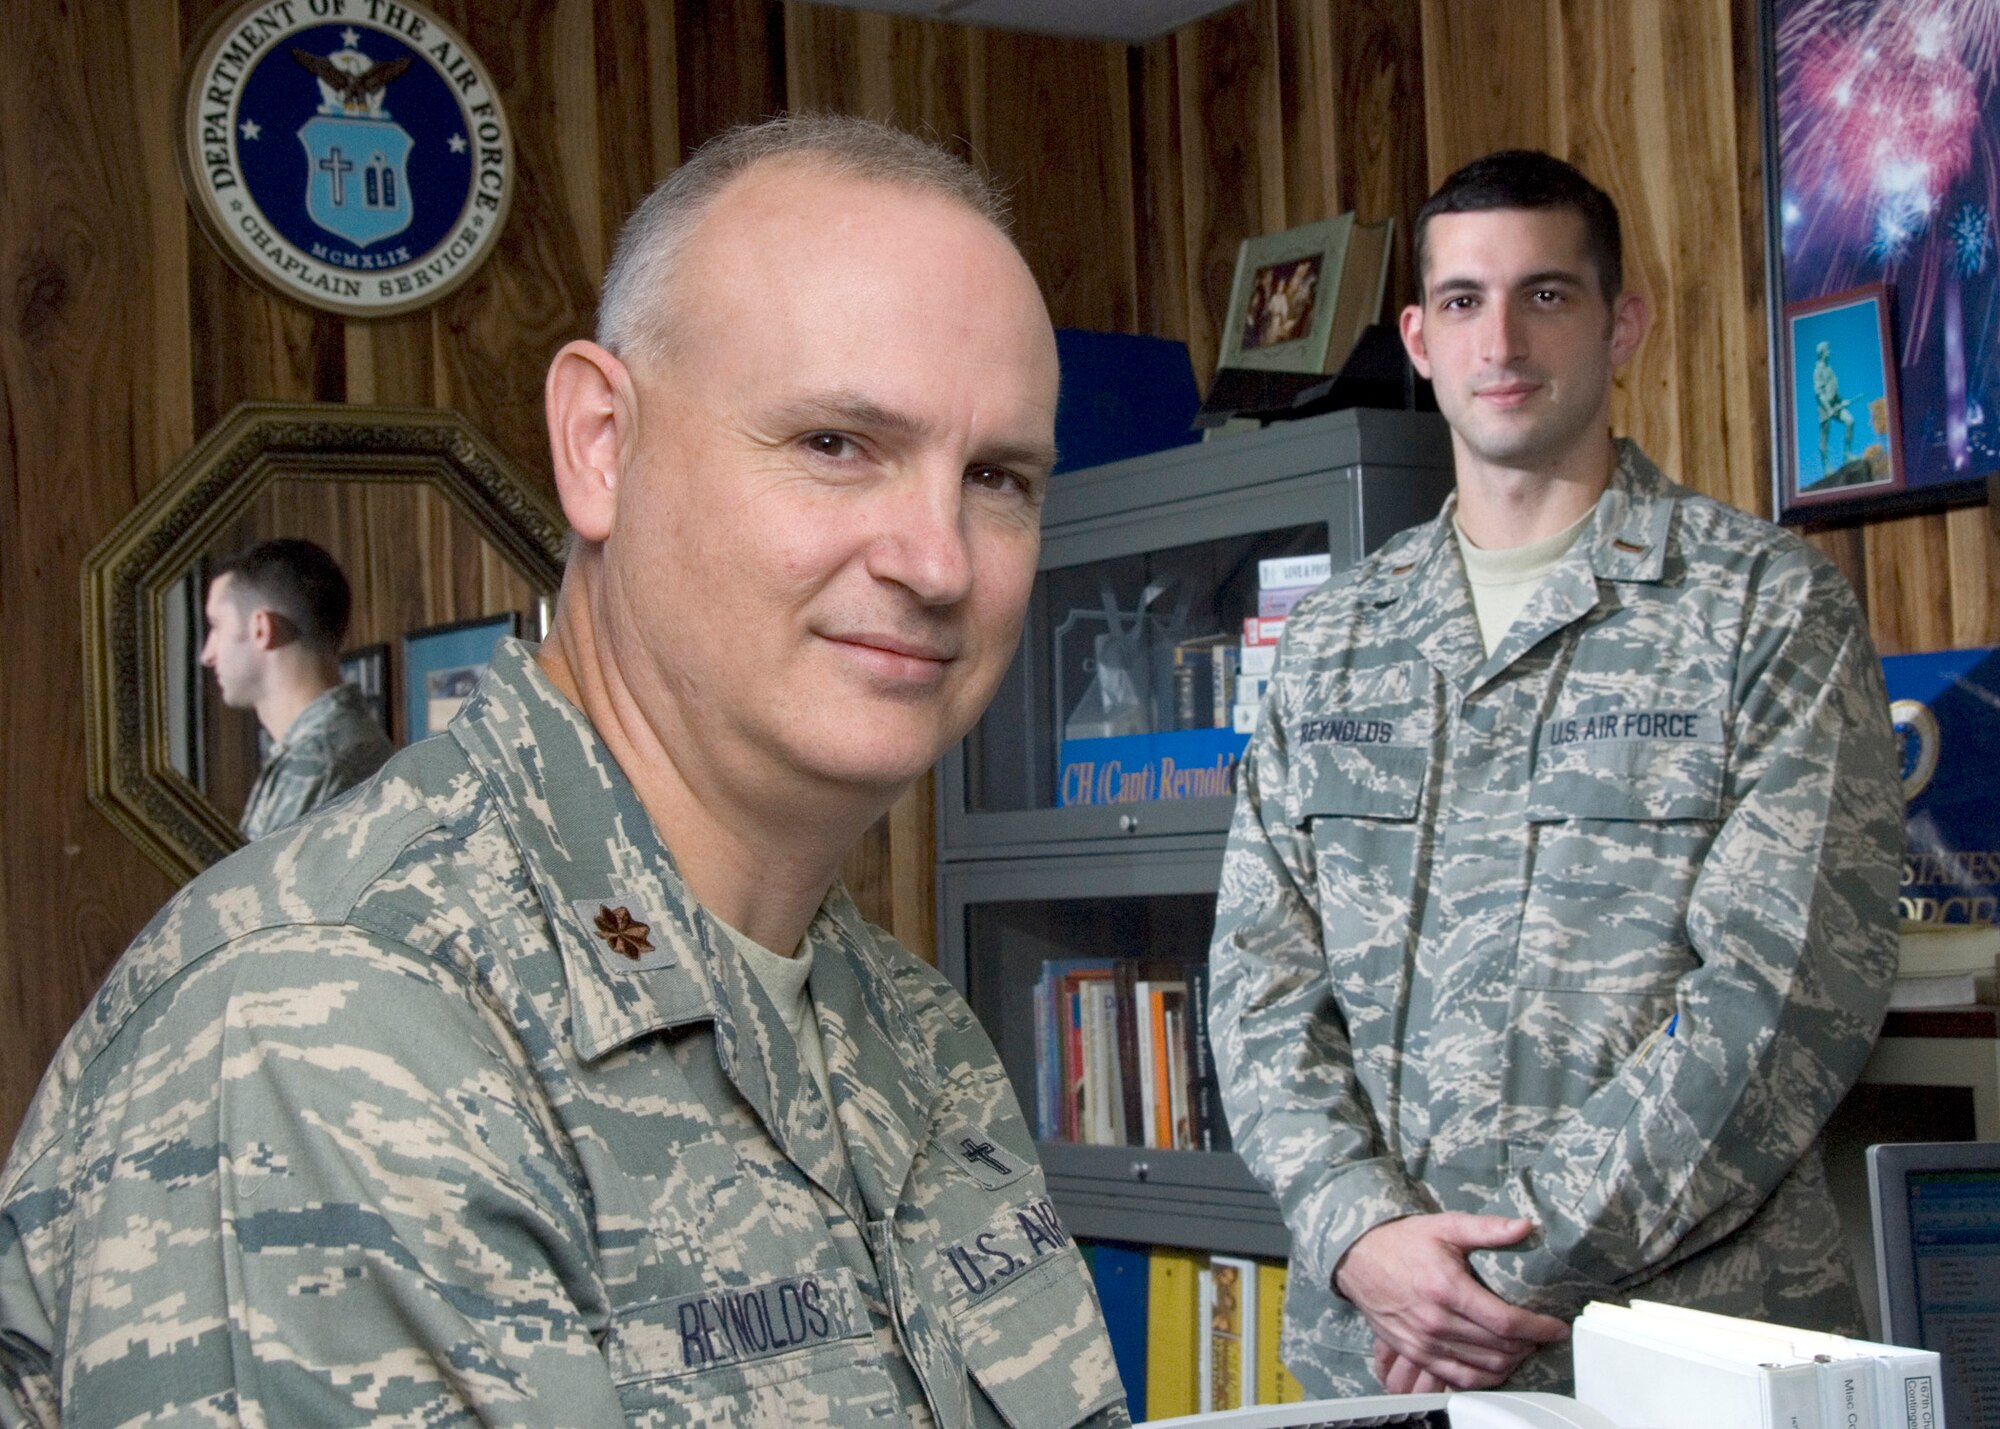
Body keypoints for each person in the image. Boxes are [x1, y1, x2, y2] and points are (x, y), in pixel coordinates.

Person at [1, 115, 1127, 1428]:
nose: (938, 561)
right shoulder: (332, 1020)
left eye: (998, 478)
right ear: (599, 442)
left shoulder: (910, 1034)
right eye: (836, 443)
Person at [1208, 150, 1902, 1399]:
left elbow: (1781, 1001)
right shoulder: (1330, 644)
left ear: (1620, 321)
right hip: (1381, 1355)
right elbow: (1258, 993)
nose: (1502, 339)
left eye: (1547, 293)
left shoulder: (1763, 611)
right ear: (1416, 338)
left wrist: (1498, 1273)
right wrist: (1358, 1232)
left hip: (1678, 1346)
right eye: (1464, 302)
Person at [200, 537, 394, 839]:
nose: (207, 654)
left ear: (261, 629)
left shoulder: (323, 765)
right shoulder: (315, 750)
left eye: (216, 625)